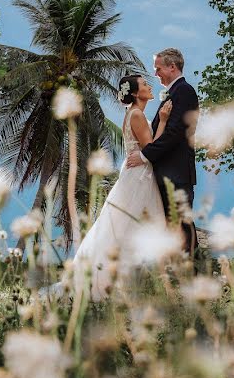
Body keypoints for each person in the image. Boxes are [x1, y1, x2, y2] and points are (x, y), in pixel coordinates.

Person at [71, 74, 171, 299]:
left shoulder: (135, 114)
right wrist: (163, 120)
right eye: (145, 84)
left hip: (136, 171)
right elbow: (151, 147)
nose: (149, 85)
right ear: (135, 93)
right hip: (139, 176)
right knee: (137, 225)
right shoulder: (136, 114)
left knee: (126, 226)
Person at [126, 48, 199, 255]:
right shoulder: (174, 93)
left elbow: (175, 133)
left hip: (175, 174)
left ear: (172, 67)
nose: (156, 73)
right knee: (175, 228)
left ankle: (189, 275)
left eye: (158, 68)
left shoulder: (183, 91)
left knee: (182, 230)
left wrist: (143, 155)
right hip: (168, 174)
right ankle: (180, 275)